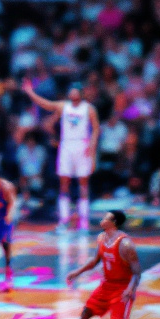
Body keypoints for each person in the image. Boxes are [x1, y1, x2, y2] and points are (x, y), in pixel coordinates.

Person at [59, 209, 141, 319]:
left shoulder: (125, 244)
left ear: (114, 222)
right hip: (106, 285)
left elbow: (136, 271)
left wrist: (131, 289)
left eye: (106, 217)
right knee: (85, 314)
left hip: (122, 288)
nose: (102, 219)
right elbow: (95, 260)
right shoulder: (102, 238)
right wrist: (77, 272)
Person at [22, 79, 99, 230]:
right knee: (64, 183)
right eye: (71, 91)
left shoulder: (88, 108)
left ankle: (83, 220)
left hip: (82, 144)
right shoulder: (64, 106)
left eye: (75, 91)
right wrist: (30, 92)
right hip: (66, 145)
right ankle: (64, 219)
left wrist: (91, 147)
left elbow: (96, 129)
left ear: (80, 93)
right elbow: (45, 104)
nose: (72, 93)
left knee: (83, 183)